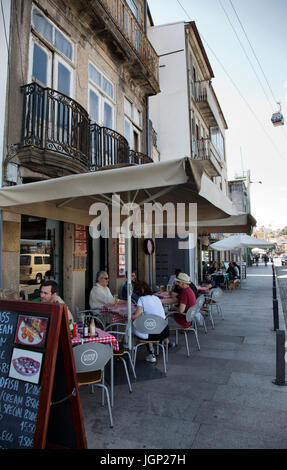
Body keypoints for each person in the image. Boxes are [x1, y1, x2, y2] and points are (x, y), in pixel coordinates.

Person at [120, 280, 170, 364]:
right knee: (147, 324)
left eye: (136, 291)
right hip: (164, 332)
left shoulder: (141, 299)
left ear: (141, 291)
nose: (135, 293)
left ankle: (129, 347)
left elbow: (135, 316)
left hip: (152, 334)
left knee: (132, 326)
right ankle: (152, 352)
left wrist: (124, 315)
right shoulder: (156, 298)